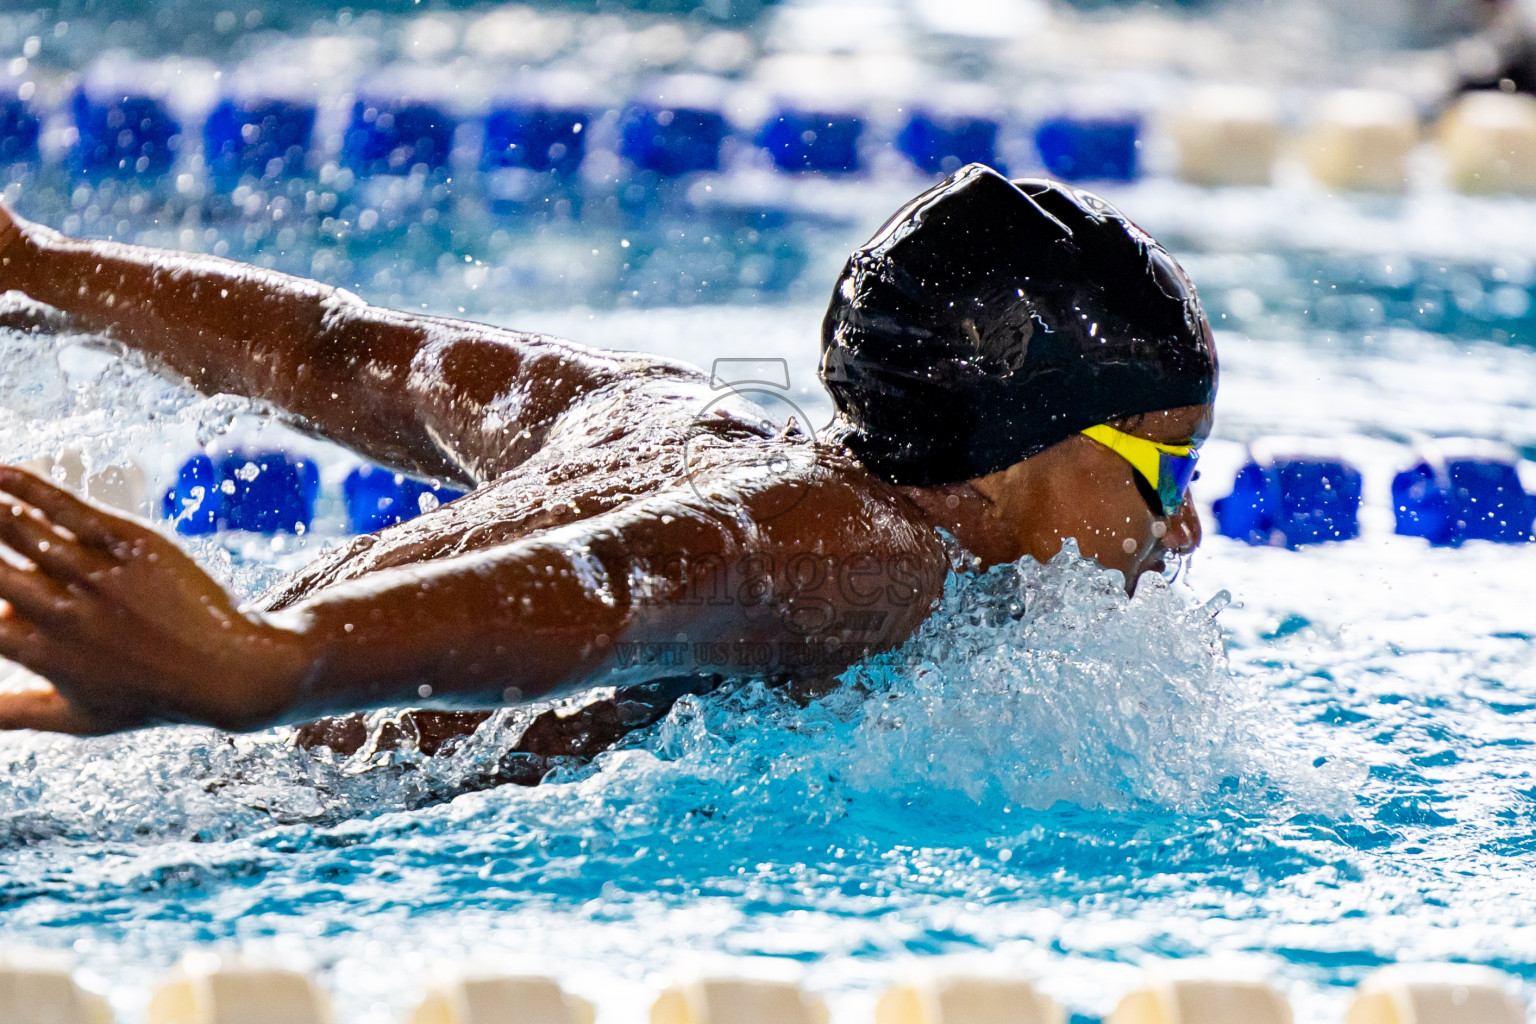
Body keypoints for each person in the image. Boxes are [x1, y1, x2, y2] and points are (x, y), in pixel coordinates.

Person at [0, 164, 1216, 774]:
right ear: (1010, 456)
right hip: (229, 775)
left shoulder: (659, 414)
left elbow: (339, 349)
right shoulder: (868, 556)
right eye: (1162, 471)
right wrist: (260, 665)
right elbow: (611, 584)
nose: (1186, 524)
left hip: (169, 734)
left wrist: (40, 267)